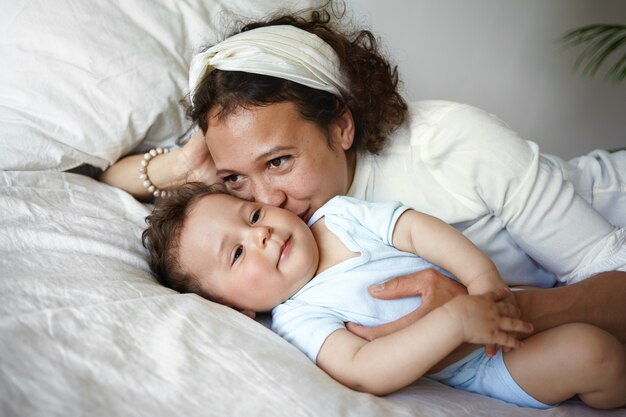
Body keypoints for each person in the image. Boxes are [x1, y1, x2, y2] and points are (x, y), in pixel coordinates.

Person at [100, 3, 626, 343]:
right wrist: (190, 164)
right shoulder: (249, 202)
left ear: (342, 126)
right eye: (237, 178)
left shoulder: (452, 145)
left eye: (279, 161)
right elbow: (108, 179)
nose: (268, 201)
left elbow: (615, 283)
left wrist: (469, 313)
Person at [142, 182, 626, 409]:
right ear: (237, 309)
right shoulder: (297, 316)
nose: (262, 235)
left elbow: (418, 231)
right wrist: (455, 321)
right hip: (484, 364)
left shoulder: (339, 216)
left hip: (499, 300)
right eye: (237, 255)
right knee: (593, 353)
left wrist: (482, 281)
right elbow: (363, 370)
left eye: (251, 217)